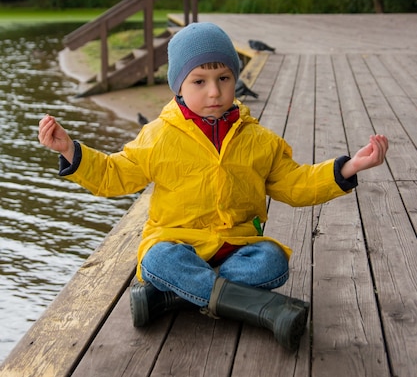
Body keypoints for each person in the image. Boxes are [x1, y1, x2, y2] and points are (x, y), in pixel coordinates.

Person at [38, 22, 388, 351]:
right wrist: (71, 151)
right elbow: (116, 174)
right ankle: (263, 307)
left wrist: (348, 168)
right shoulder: (158, 136)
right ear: (178, 85)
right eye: (199, 81)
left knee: (273, 262)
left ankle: (173, 297)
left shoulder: (258, 139)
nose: (215, 91)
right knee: (158, 260)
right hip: (178, 243)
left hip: (237, 247)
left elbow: (296, 184)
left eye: (223, 77)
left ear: (235, 77)